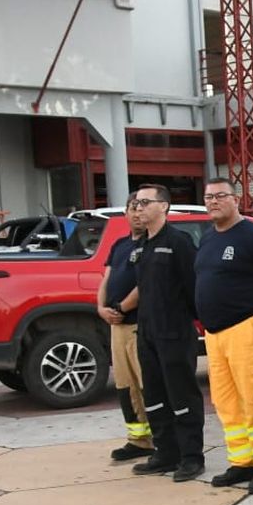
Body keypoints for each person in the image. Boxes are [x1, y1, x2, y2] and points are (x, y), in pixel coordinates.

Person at [196, 177, 253, 491]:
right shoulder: (208, 239)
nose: (213, 202)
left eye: (220, 196)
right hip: (216, 334)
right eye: (208, 197)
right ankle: (242, 462)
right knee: (226, 401)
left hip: (249, 327)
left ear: (235, 199)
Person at [115, 184, 204, 482]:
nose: (138, 208)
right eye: (136, 204)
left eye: (144, 202)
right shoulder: (142, 246)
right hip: (147, 333)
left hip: (174, 333)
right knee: (153, 395)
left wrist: (185, 323)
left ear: (163, 207)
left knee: (182, 395)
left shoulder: (178, 243)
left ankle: (191, 456)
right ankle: (165, 453)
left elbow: (194, 289)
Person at [97, 195, 154, 462]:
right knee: (125, 386)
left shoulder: (151, 244)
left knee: (148, 384)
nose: (137, 213)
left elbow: (147, 284)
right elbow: (106, 278)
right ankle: (138, 440)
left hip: (139, 325)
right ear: (125, 213)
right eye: (132, 208)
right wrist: (101, 308)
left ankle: (161, 439)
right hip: (116, 328)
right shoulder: (119, 245)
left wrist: (122, 308)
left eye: (142, 208)